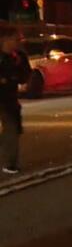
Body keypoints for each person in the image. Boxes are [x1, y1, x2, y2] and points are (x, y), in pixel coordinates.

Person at [0, 31, 31, 174]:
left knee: (13, 128)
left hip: (9, 98)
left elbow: (24, 76)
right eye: (15, 39)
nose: (18, 42)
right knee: (11, 129)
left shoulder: (19, 57)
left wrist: (17, 71)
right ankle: (10, 162)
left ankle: (10, 163)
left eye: (19, 39)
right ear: (5, 39)